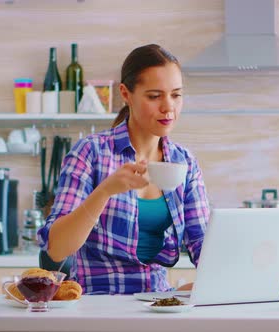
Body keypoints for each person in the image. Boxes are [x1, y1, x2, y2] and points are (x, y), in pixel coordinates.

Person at [37, 44, 210, 295]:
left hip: (157, 304)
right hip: (96, 306)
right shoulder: (90, 153)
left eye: (176, 95)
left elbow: (203, 244)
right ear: (126, 94)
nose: (168, 107)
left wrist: (214, 281)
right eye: (154, 96)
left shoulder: (185, 162)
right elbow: (56, 248)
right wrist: (105, 190)